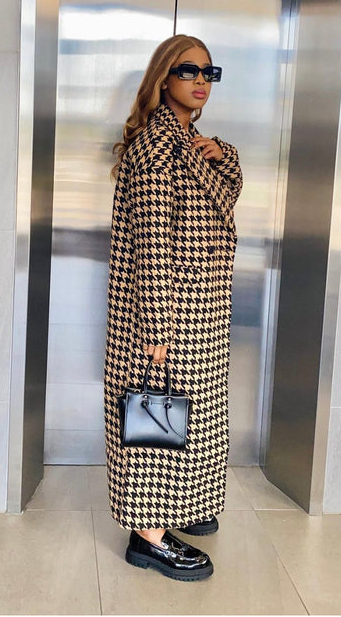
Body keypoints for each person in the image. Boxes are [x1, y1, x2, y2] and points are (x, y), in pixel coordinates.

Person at [103, 34, 243, 581]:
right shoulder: (157, 149)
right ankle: (148, 538)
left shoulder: (190, 143)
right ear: (164, 79)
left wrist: (223, 153)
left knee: (190, 417)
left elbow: (223, 197)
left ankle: (181, 503)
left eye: (209, 72)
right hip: (166, 312)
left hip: (199, 309)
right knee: (156, 422)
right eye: (189, 71)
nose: (201, 81)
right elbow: (152, 246)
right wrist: (157, 329)